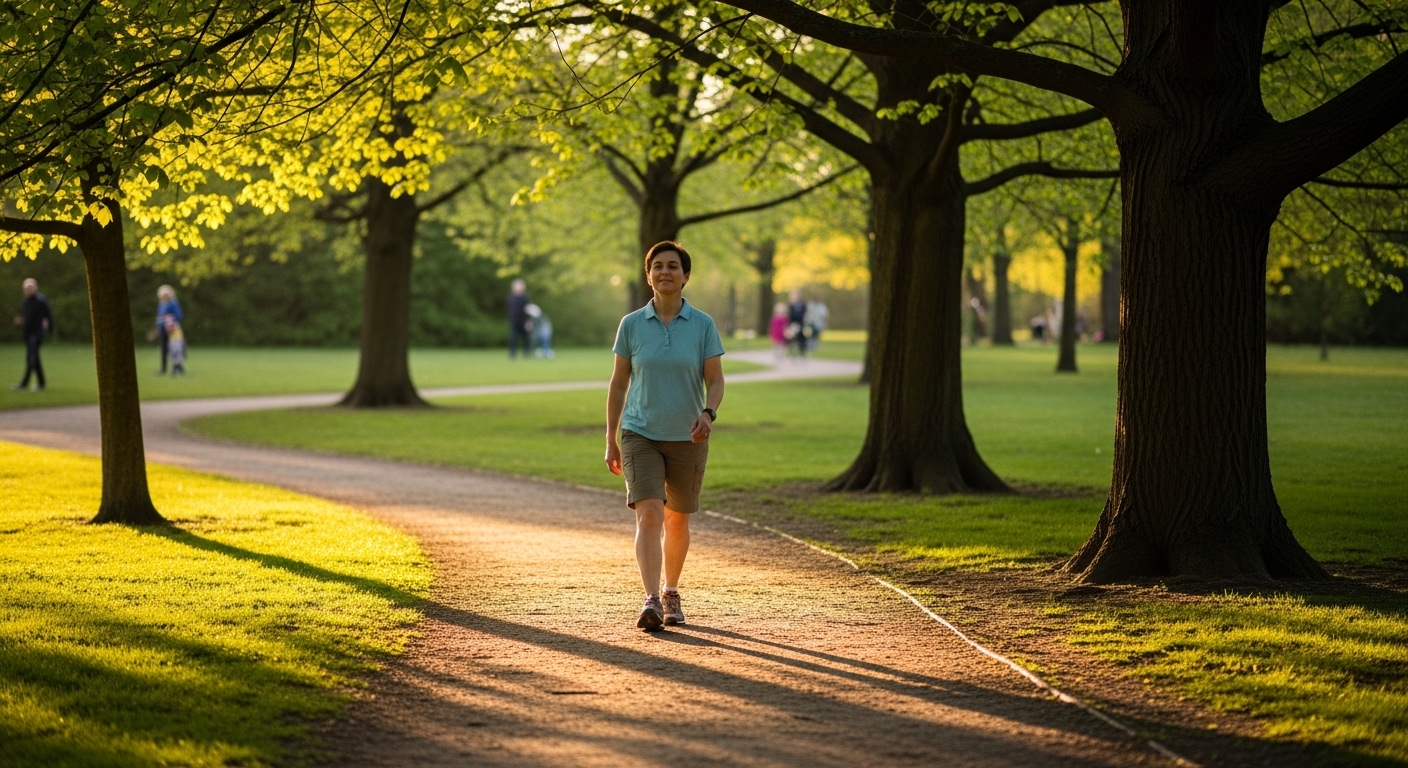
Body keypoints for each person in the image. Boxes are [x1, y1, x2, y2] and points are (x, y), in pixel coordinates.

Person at [605, 241, 725, 632]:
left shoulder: (702, 325)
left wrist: (708, 413)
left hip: (689, 437)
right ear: (649, 276)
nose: (665, 272)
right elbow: (618, 383)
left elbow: (715, 380)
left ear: (685, 276)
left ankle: (671, 590)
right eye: (657, 266)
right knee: (650, 513)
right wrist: (611, 437)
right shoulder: (631, 324)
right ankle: (651, 599)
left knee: (676, 520)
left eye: (673, 266)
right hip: (639, 432)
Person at [12, 278, 52, 392]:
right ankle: (41, 383)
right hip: (28, 334)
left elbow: (49, 316)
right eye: (26, 288)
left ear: (35, 288)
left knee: (32, 358)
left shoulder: (41, 301)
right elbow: (28, 319)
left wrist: (50, 329)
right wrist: (22, 322)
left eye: (31, 287)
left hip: (37, 334)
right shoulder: (25, 302)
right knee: (35, 358)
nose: (28, 289)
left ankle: (24, 383)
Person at [146, 285, 183, 374]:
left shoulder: (173, 303)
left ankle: (178, 367)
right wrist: (156, 330)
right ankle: (163, 368)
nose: (165, 297)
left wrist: (170, 323)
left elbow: (178, 315)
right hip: (162, 329)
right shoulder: (161, 304)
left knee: (175, 348)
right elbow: (159, 318)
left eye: (166, 295)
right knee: (164, 349)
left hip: (171, 330)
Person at [507, 279, 532, 358]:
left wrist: (528, 321)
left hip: (524, 321)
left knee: (526, 338)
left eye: (519, 286)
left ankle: (526, 353)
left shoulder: (525, 298)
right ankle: (512, 354)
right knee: (513, 338)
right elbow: (509, 310)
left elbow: (528, 310)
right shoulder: (511, 298)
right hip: (514, 321)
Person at [787, 289, 809, 359]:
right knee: (791, 338)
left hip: (801, 324)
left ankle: (802, 354)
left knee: (802, 339)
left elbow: (805, 314)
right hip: (793, 324)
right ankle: (792, 353)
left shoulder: (803, 304)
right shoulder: (791, 305)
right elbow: (789, 316)